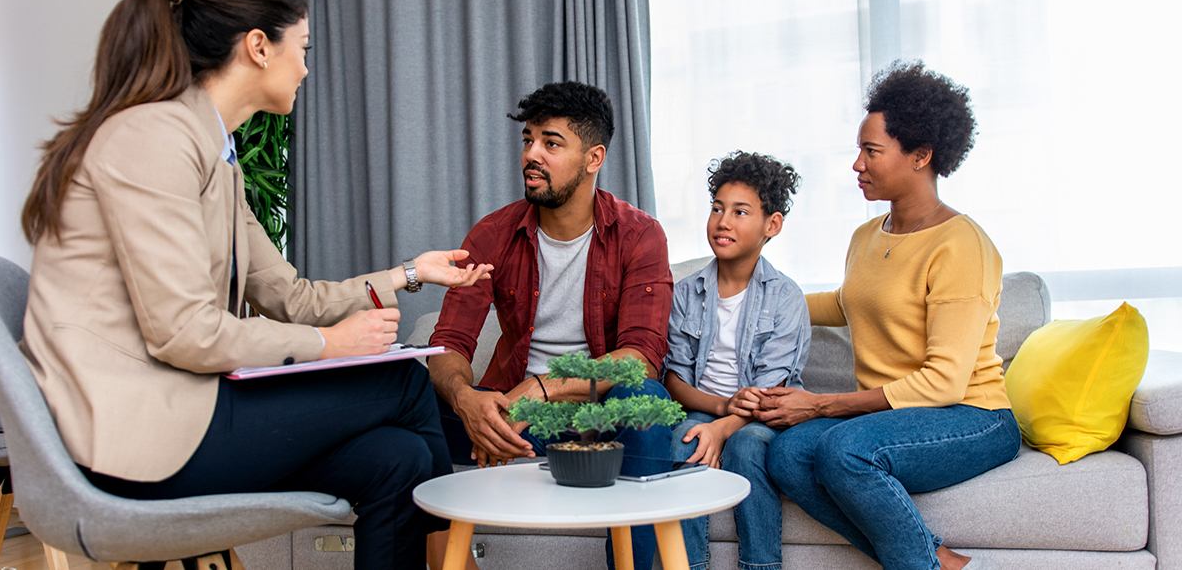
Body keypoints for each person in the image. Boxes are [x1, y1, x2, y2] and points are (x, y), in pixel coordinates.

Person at [18, 0, 491, 569]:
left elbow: (288, 296)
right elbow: (184, 332)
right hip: (131, 443)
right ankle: (457, 560)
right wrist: (331, 345)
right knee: (402, 379)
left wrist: (409, 273)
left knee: (396, 459)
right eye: (303, 47)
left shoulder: (216, 154)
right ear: (259, 46)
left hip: (183, 414)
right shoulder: (152, 137)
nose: (305, 67)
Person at [756, 61, 1019, 570]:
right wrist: (756, 301)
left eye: (871, 151)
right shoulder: (867, 236)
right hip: (893, 416)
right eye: (859, 150)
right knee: (785, 455)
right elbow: (847, 303)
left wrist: (819, 405)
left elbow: (943, 383)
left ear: (921, 155)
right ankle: (933, 557)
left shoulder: (961, 245)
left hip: (974, 417)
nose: (857, 164)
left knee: (844, 451)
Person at [427, 81, 674, 570]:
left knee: (645, 400)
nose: (531, 155)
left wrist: (541, 388)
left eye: (551, 143)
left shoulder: (639, 235)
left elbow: (641, 358)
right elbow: (449, 342)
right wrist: (466, 399)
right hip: (514, 421)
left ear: (594, 158)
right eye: (528, 140)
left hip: (599, 419)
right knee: (405, 396)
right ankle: (451, 561)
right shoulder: (493, 233)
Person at [665, 151, 810, 570]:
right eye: (717, 209)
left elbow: (771, 393)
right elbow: (673, 377)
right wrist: (718, 410)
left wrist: (724, 428)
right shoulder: (685, 292)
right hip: (703, 407)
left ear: (772, 225)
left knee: (746, 447)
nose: (723, 222)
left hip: (764, 417)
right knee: (684, 439)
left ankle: (761, 565)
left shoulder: (785, 298)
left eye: (740, 212)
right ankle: (688, 565)